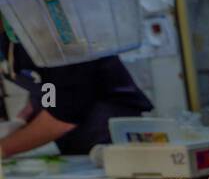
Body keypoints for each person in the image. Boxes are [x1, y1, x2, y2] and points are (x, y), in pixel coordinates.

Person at [0, 39, 152, 156]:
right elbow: (49, 88)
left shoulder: (58, 38)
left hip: (112, 142)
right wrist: (22, 118)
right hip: (75, 150)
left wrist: (4, 148)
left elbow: (64, 116)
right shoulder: (9, 41)